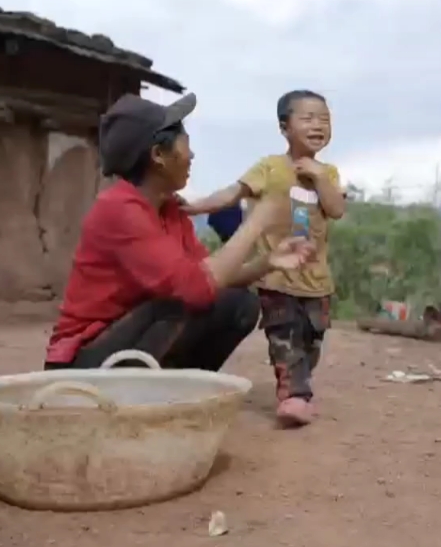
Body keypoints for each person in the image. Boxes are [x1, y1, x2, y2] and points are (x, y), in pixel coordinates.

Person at [44, 92, 314, 372]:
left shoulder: (169, 208)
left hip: (124, 338)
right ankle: (134, 393)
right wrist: (258, 221)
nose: (192, 154)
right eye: (186, 143)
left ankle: (172, 390)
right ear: (159, 155)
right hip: (81, 362)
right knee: (186, 302)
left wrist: (266, 262)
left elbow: (214, 277)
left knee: (240, 303)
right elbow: (198, 287)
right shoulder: (120, 210)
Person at [184, 89, 345, 428]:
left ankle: (297, 383)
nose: (318, 125)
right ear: (285, 127)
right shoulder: (269, 168)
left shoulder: (328, 173)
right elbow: (233, 193)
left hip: (317, 281)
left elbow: (336, 209)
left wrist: (317, 176)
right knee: (283, 335)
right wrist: (196, 206)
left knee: (310, 341)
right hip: (275, 276)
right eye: (308, 118)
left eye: (325, 119)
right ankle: (294, 397)